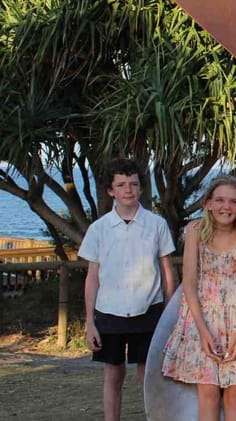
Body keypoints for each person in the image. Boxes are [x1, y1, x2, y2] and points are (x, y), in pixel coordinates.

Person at [162, 176, 236, 421]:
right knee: (209, 393)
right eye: (220, 200)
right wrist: (202, 332)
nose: (227, 206)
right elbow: (189, 283)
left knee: (234, 395)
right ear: (209, 203)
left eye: (234, 201)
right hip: (202, 318)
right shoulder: (195, 230)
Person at [79, 158, 176, 421]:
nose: (128, 190)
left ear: (141, 188)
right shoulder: (98, 229)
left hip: (149, 309)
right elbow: (92, 277)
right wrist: (90, 322)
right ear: (111, 190)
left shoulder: (156, 224)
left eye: (133, 184)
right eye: (121, 185)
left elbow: (167, 270)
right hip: (109, 311)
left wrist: (169, 312)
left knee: (148, 373)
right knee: (113, 372)